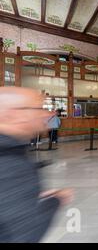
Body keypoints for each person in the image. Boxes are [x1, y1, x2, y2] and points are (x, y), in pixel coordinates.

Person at [0, 87, 73, 242]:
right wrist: (56, 200)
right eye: (38, 109)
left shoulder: (12, 151)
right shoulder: (11, 163)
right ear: (14, 114)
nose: (46, 114)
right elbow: (25, 233)